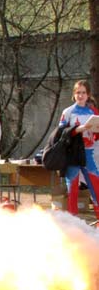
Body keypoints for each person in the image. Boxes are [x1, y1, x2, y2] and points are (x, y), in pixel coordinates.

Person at [58, 80, 99, 218]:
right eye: (78, 92)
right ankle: (73, 226)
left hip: (89, 153)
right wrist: (78, 130)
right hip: (73, 154)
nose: (80, 95)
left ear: (88, 95)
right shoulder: (68, 112)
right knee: (73, 190)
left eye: (83, 93)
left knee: (96, 189)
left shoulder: (93, 111)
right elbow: (61, 133)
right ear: (74, 94)